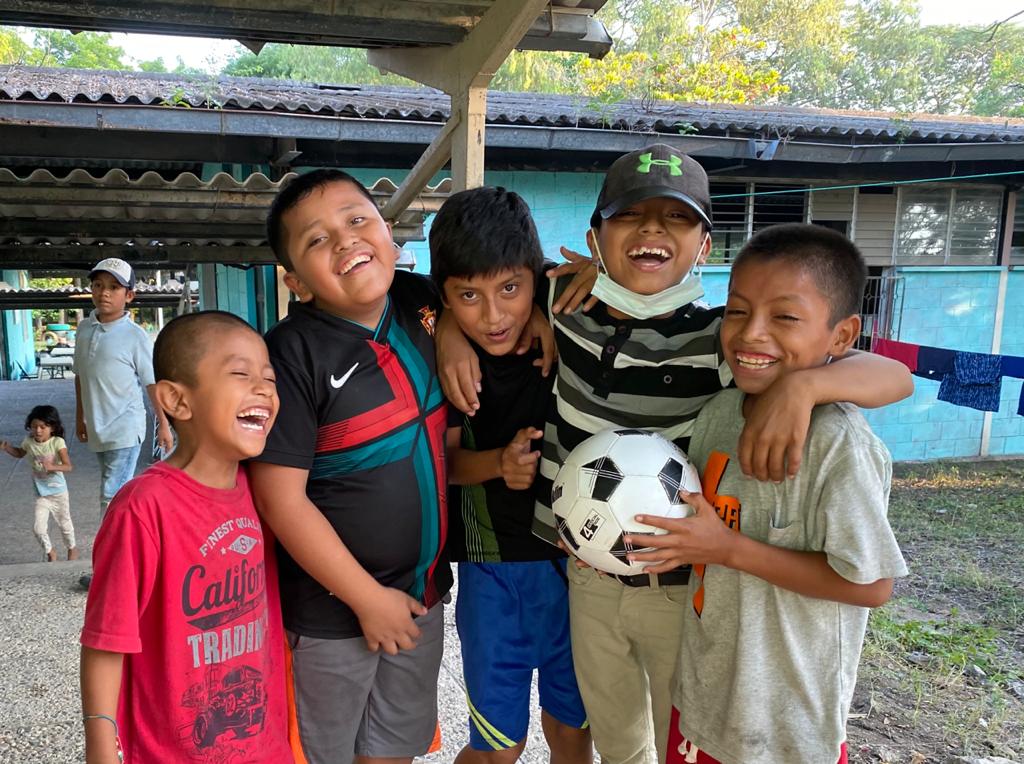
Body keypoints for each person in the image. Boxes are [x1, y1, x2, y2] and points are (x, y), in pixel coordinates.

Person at [438, 144, 914, 764]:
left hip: (678, 584)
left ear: (706, 247)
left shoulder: (725, 335)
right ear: (597, 237)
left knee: (677, 738)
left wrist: (808, 384)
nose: (653, 230)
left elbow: (894, 377)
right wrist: (448, 333)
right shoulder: (561, 305)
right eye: (632, 217)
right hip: (584, 575)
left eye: (677, 219)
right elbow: (451, 292)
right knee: (616, 739)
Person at [627, 223, 909, 764]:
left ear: (842, 336)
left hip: (785, 728)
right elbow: (696, 526)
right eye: (737, 311)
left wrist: (728, 550)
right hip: (702, 702)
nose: (752, 333)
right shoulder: (718, 414)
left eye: (784, 316)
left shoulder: (838, 443)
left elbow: (872, 586)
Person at [249, 169, 452, 764]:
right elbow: (280, 499)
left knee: (395, 748)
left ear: (390, 234)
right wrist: (365, 598)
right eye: (316, 240)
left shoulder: (425, 307)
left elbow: (509, 290)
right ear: (295, 283)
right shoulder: (290, 356)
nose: (345, 241)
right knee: (322, 753)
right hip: (330, 616)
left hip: (422, 597)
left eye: (357, 220)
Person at [80, 310, 292, 764]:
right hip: (168, 752)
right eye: (241, 373)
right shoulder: (143, 507)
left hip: (264, 748)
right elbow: (106, 639)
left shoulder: (265, 492)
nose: (263, 388)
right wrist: (100, 740)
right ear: (175, 400)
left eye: (269, 378)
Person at [430, 187, 593, 764]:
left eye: (511, 289)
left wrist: (553, 300)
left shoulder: (568, 325)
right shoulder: (442, 363)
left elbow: (606, 274)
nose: (494, 315)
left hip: (575, 570)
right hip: (490, 574)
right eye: (468, 297)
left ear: (534, 278)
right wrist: (498, 464)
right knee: (499, 745)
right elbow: (442, 465)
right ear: (444, 296)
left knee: (573, 732)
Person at [73, 257, 173, 589]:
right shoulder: (84, 329)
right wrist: (80, 416)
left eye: (114, 287)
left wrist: (163, 424)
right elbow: (80, 376)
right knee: (114, 494)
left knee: (110, 495)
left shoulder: (134, 336)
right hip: (99, 427)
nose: (104, 293)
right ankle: (125, 563)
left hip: (125, 427)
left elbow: (151, 383)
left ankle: (111, 570)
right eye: (99, 285)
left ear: (129, 296)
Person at [1, 404, 77, 562]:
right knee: (38, 528)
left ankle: (72, 548)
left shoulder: (57, 442)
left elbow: (68, 466)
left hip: (59, 493)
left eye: (43, 427)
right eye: (34, 426)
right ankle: (50, 552)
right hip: (41, 494)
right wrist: (7, 447)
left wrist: (53, 467)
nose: (38, 430)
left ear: (52, 427)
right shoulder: (28, 442)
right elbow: (20, 453)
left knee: (65, 525)